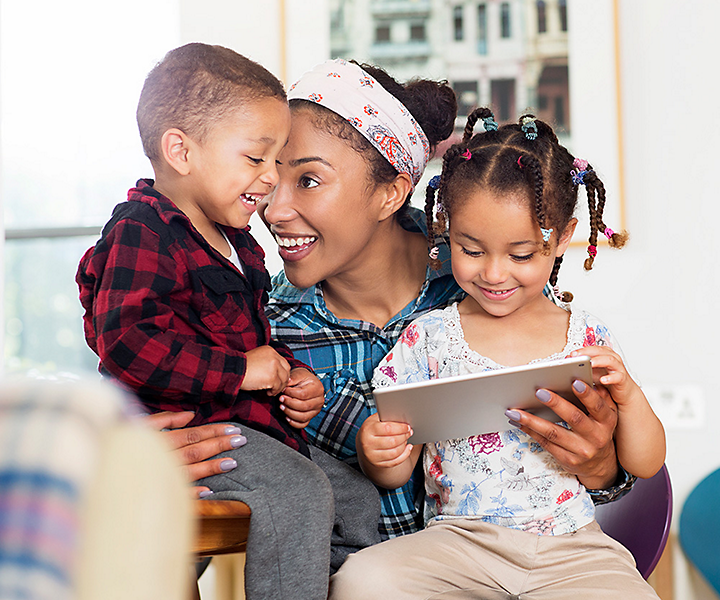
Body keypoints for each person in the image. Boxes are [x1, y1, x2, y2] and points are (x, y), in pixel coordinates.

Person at [261, 60, 636, 543]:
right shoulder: (266, 332)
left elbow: (569, 481)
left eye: (309, 180)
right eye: (271, 175)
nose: (273, 209)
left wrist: (601, 462)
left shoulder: (489, 283)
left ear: (392, 192)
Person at [329, 108, 666, 599]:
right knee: (363, 582)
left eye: (521, 254)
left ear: (562, 240)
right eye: (470, 249)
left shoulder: (586, 337)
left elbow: (647, 462)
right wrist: (376, 449)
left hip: (572, 548)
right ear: (446, 228)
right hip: (457, 544)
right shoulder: (428, 339)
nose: (492, 272)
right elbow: (397, 467)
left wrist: (631, 398)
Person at [76, 43, 343, 600]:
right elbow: (128, 342)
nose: (271, 178)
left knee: (357, 498)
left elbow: (244, 340)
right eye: (256, 158)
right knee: (299, 495)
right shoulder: (142, 232)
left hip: (254, 430)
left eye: (278, 160)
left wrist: (290, 375)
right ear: (181, 150)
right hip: (190, 435)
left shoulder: (239, 244)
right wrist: (240, 371)